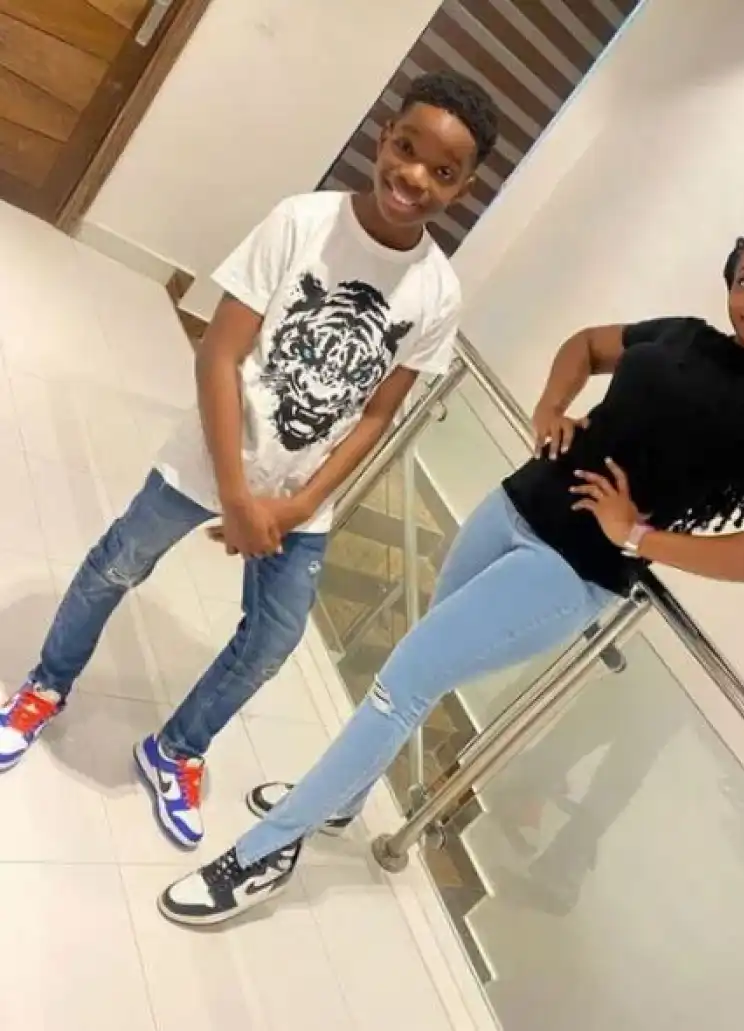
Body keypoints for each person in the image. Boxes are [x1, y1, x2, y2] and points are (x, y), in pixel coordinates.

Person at [158, 212, 744, 924]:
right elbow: (586, 345)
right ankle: (341, 800)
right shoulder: (685, 335)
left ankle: (266, 852)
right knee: (414, 668)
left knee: (402, 684)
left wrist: (639, 535)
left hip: (572, 571)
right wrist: (552, 407)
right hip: (514, 506)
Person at [0, 70, 499, 849]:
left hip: (303, 498)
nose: (414, 178)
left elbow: (376, 413)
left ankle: (176, 748)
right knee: (119, 564)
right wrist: (236, 494)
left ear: (463, 188)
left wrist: (298, 504)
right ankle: (45, 684)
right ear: (384, 138)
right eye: (407, 149)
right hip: (214, 457)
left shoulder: (437, 292)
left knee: (272, 638)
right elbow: (219, 354)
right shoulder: (302, 222)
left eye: (442, 171)